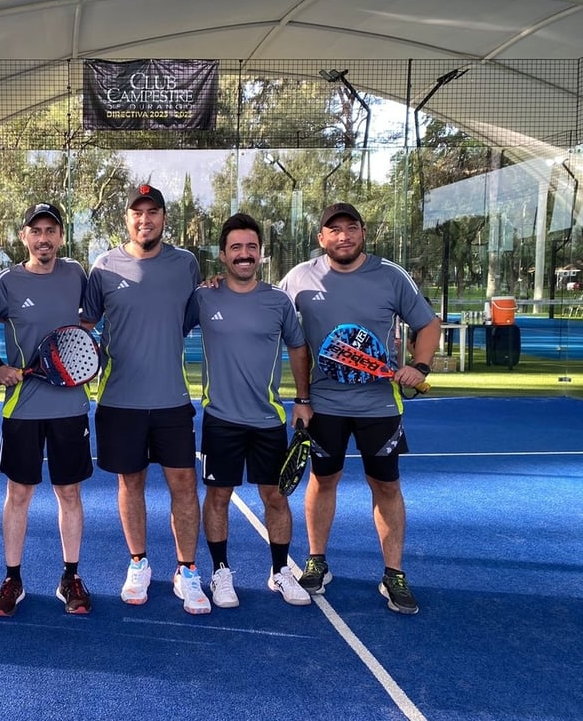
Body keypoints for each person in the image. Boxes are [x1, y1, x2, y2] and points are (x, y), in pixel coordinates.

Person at [279, 202, 440, 615]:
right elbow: (268, 312)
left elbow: (428, 323)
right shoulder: (299, 278)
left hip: (380, 406)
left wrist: (419, 366)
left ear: (363, 233)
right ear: (321, 238)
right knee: (323, 479)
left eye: (351, 228)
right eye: (335, 230)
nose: (343, 236)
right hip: (324, 404)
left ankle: (393, 574)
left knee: (386, 486)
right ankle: (317, 561)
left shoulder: (390, 275)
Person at [81, 184, 211, 615]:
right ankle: (138, 563)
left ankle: (187, 570)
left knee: (184, 485)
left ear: (163, 219)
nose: (145, 220)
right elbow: (84, 324)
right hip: (119, 400)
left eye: (153, 212)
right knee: (129, 483)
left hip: (173, 399)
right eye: (137, 213)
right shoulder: (103, 267)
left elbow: (194, 314)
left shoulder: (186, 264)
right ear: (126, 219)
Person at [184, 213, 313, 608]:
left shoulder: (278, 302)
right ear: (223, 255)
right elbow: (165, 327)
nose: (244, 254)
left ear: (260, 253)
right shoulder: (203, 297)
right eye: (236, 248)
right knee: (218, 496)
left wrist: (303, 401)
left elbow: (297, 348)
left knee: (275, 497)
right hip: (221, 419)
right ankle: (221, 574)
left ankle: (279, 573)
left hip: (268, 420)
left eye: (251, 247)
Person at [0, 203, 94, 616]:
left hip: (70, 405)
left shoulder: (76, 274)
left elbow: (92, 316)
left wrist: (73, 355)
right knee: (19, 494)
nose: (43, 238)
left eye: (51, 230)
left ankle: (71, 577)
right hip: (22, 407)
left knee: (69, 492)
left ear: (61, 236)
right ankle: (12, 578)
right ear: (23, 236)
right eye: (36, 230)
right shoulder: (7, 281)